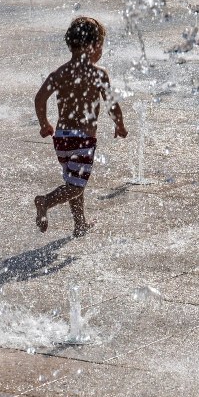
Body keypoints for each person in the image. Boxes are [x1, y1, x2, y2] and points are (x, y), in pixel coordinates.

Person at [33, 16, 127, 237]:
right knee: (77, 185)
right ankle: (44, 201)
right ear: (92, 46)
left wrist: (44, 123)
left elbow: (40, 98)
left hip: (62, 138)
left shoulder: (60, 73)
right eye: (101, 45)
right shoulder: (98, 73)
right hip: (83, 140)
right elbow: (112, 104)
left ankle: (80, 223)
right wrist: (120, 125)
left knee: (72, 179)